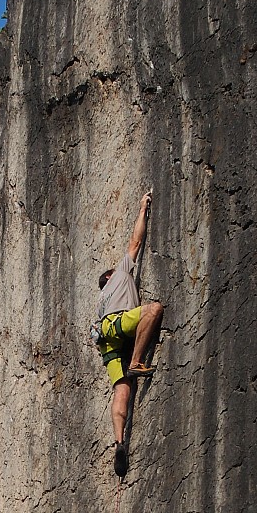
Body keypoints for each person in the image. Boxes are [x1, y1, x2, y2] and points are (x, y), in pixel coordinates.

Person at [94, 190, 164, 477]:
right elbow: (136, 242)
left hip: (106, 340)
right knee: (153, 310)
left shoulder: (100, 300)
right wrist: (142, 208)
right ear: (109, 277)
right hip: (118, 325)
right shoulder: (119, 276)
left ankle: (119, 441)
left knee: (121, 390)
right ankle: (136, 360)